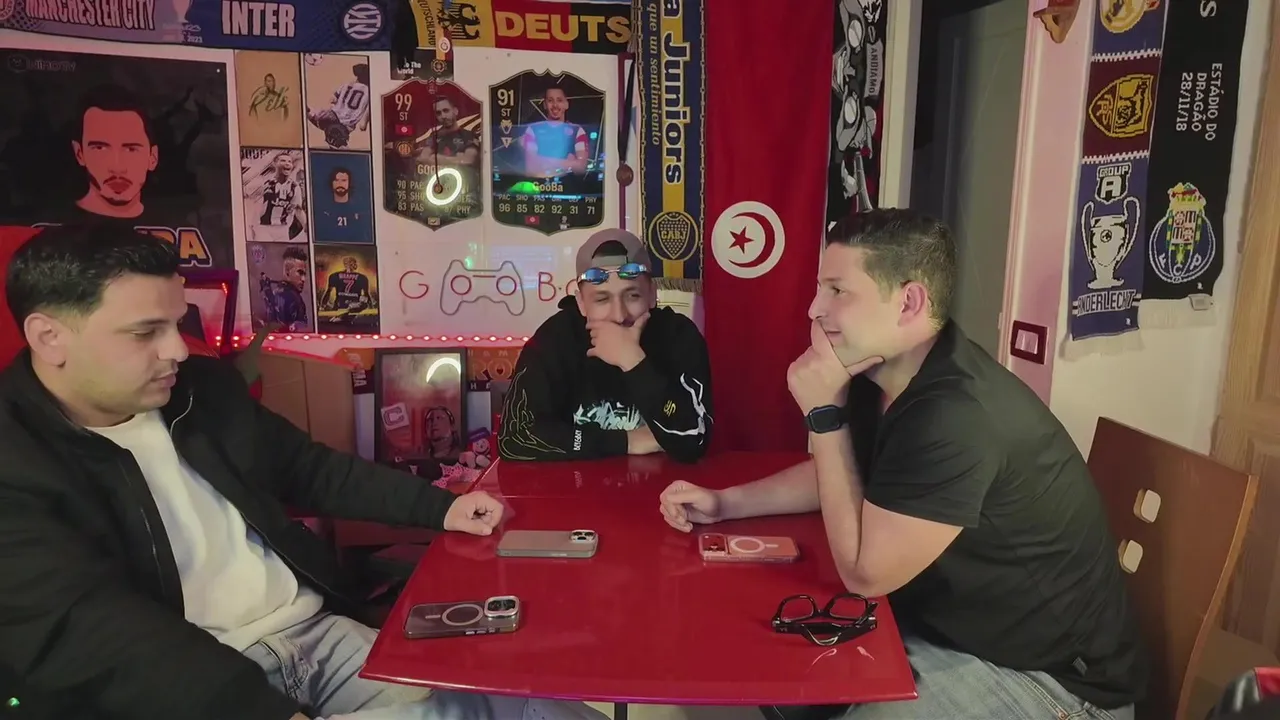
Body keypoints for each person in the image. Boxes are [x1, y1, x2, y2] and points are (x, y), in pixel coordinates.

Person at [0, 224, 607, 720]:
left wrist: (441, 507)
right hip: (194, 687)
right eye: (145, 333)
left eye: (176, 324)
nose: (178, 350)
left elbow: (307, 469)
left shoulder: (199, 390)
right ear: (49, 337)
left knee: (537, 705)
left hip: (314, 636)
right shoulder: (17, 456)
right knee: (462, 713)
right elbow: (87, 628)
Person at [658, 209, 1147, 719]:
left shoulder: (955, 414)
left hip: (1052, 682)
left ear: (909, 302)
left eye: (837, 290)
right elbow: (843, 474)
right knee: (781, 670)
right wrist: (725, 504)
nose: (814, 308)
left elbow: (865, 574)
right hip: (951, 629)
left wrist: (824, 416)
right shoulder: (884, 373)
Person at [498, 228, 712, 464]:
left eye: (632, 296)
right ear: (581, 303)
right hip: (575, 486)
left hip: (663, 487)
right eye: (602, 299)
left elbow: (695, 438)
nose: (619, 316)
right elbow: (514, 437)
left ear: (652, 295)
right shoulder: (557, 337)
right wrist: (627, 441)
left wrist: (634, 362)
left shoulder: (678, 335)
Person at [71, 84, 158, 220]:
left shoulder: (175, 220)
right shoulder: (52, 227)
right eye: (100, 148)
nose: (117, 168)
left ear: (153, 158)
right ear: (79, 153)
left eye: (131, 149)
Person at [522, 86, 589, 178]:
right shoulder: (532, 130)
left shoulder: (577, 131)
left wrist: (541, 161)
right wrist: (570, 163)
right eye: (550, 101)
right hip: (539, 185)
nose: (555, 105)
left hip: (569, 185)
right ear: (545, 104)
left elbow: (581, 168)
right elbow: (531, 168)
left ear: (566, 104)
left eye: (559, 100)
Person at [308, 63, 371, 149]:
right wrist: (364, 124)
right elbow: (368, 112)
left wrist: (333, 104)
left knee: (320, 120)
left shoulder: (347, 85)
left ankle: (310, 113)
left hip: (333, 114)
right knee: (339, 143)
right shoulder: (369, 91)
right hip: (345, 123)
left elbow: (333, 99)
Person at [250, 152, 307, 243]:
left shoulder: (294, 187)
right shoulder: (264, 183)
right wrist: (251, 226)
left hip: (283, 229)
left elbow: (298, 209)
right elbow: (251, 204)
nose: (287, 163)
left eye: (289, 161)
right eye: (283, 161)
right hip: (263, 227)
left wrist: (305, 225)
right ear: (275, 164)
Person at [259, 244, 310, 331]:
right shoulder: (292, 298)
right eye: (300, 273)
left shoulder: (276, 293)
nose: (303, 279)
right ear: (287, 272)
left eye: (304, 274)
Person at [422, 96, 480, 168]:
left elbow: (469, 160)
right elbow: (422, 158)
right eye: (438, 113)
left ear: (455, 111)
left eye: (446, 110)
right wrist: (457, 158)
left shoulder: (469, 136)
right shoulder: (434, 136)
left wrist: (441, 159)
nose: (443, 116)